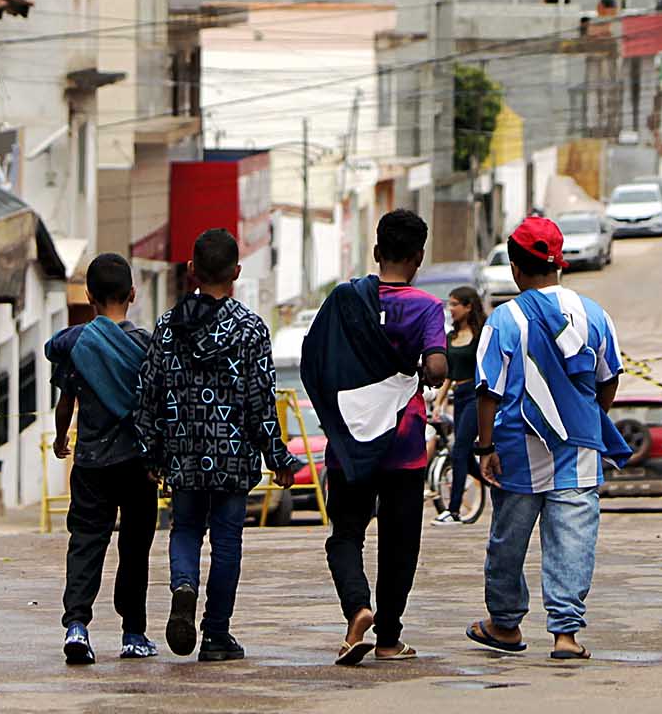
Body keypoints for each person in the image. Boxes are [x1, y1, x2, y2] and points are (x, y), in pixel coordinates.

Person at [466, 216, 626, 664]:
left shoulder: (504, 319)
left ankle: (505, 623)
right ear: (560, 265)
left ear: (515, 268)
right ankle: (566, 635)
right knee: (573, 540)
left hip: (517, 450)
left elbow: (487, 391)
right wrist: (589, 423)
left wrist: (485, 447)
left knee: (508, 542)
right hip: (578, 448)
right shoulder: (594, 314)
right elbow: (608, 379)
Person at [135, 228, 299, 663]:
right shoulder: (250, 330)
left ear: (191, 270)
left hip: (183, 454)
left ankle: (184, 585)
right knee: (227, 542)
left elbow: (149, 391)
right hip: (232, 455)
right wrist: (277, 456)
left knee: (185, 529)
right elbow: (260, 399)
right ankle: (216, 635)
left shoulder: (168, 327)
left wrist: (152, 451)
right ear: (237, 273)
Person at [301, 210, 449, 665]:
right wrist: (422, 370)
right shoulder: (427, 307)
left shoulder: (344, 299)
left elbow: (314, 357)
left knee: (345, 535)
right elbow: (439, 367)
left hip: (350, 446)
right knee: (399, 543)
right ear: (419, 257)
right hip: (403, 446)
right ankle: (388, 639)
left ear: (376, 252)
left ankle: (357, 607)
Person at [46, 254, 158, 665]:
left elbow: (65, 403)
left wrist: (62, 439)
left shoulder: (77, 345)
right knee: (134, 546)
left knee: (86, 543)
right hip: (137, 463)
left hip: (91, 462)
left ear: (89, 296)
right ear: (132, 294)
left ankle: (77, 626)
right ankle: (133, 633)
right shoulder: (146, 346)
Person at [434, 286, 487, 525]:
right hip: (460, 395)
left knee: (460, 448)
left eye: (455, 304)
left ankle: (453, 510)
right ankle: (497, 482)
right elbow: (448, 375)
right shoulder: (450, 338)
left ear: (468, 307)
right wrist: (438, 403)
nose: (451, 309)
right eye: (449, 304)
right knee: (463, 454)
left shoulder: (482, 334)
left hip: (478, 395)